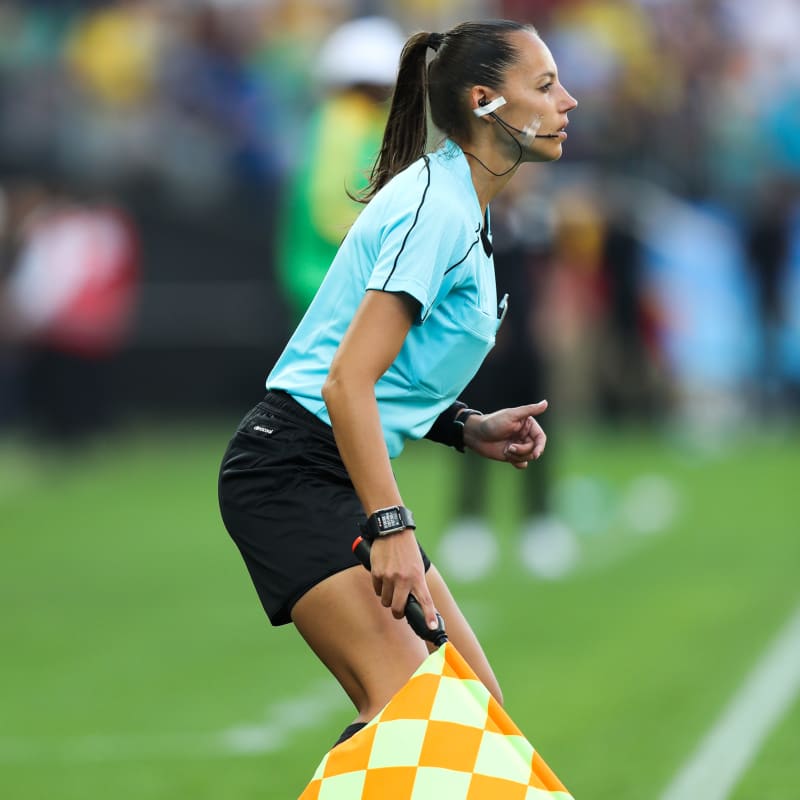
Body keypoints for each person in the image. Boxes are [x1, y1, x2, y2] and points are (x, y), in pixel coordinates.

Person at [218, 18, 577, 749]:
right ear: (484, 101)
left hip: (334, 467)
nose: (567, 101)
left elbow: (376, 378)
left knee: (477, 726)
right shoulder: (438, 210)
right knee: (415, 720)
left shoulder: (459, 205)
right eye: (544, 85)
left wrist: (464, 425)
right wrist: (391, 525)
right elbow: (344, 381)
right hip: (292, 472)